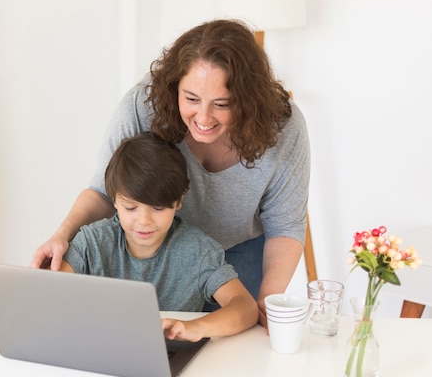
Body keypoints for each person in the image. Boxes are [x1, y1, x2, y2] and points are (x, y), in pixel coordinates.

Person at [31, 19, 310, 328]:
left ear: (248, 101)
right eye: (191, 99)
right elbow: (103, 191)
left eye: (222, 104)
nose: (203, 117)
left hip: (240, 249)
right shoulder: (142, 106)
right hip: (160, 253)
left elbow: (285, 225)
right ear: (174, 86)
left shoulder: (284, 126)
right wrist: (62, 235)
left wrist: (266, 302)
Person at [58, 132, 258, 341]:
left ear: (179, 201)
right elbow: (49, 292)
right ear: (114, 199)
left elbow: (245, 306)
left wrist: (194, 328)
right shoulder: (92, 242)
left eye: (158, 208)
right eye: (131, 207)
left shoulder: (198, 251)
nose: (144, 221)